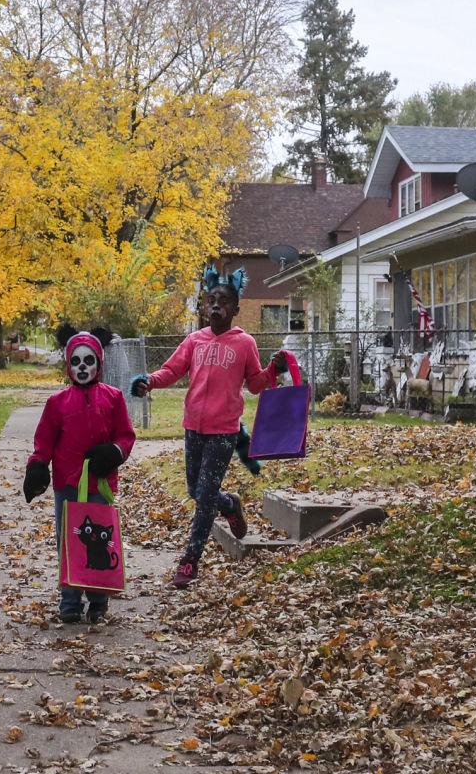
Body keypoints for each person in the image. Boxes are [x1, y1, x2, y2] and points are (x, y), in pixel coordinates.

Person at [132, 266, 290, 589]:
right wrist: (149, 382)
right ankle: (230, 504)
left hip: (223, 432)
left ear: (234, 309)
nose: (216, 306)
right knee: (196, 490)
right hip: (193, 428)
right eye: (211, 300)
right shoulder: (194, 341)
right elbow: (171, 370)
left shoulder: (244, 343)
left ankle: (190, 560)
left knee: (204, 496)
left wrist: (275, 369)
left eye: (224, 301)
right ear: (204, 306)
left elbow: (256, 384)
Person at [24, 327, 136, 625]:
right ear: (68, 366)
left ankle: (98, 599)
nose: (82, 367)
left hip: (100, 484)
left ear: (99, 365)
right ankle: (70, 599)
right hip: (67, 484)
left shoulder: (113, 398)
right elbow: (44, 441)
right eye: (76, 361)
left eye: (89, 360)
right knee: (69, 541)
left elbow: (125, 435)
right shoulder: (57, 403)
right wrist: (37, 465)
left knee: (101, 539)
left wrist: (114, 451)